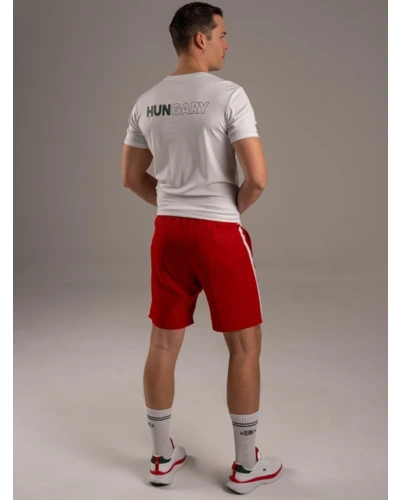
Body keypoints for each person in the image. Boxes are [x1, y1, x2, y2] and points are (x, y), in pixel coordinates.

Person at [121, 2, 282, 494]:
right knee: (245, 346)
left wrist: (176, 206)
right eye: (223, 35)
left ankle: (161, 457)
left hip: (168, 233)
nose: (227, 44)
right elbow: (257, 178)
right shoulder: (229, 95)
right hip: (217, 235)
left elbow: (131, 178)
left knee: (162, 342)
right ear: (200, 39)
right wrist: (225, 211)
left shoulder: (146, 101)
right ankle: (246, 467)